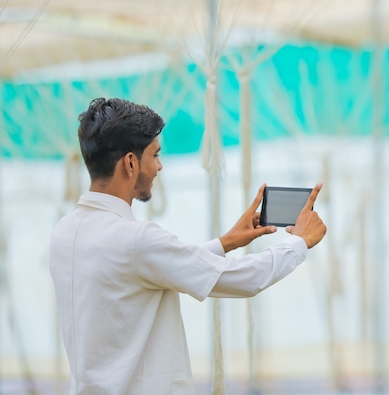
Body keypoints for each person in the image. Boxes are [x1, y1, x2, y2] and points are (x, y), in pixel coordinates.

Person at [49, 97, 327, 395]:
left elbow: (149, 269)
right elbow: (242, 279)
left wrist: (227, 242)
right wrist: (299, 243)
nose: (159, 166)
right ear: (130, 163)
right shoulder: (135, 240)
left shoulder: (64, 233)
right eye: (155, 155)